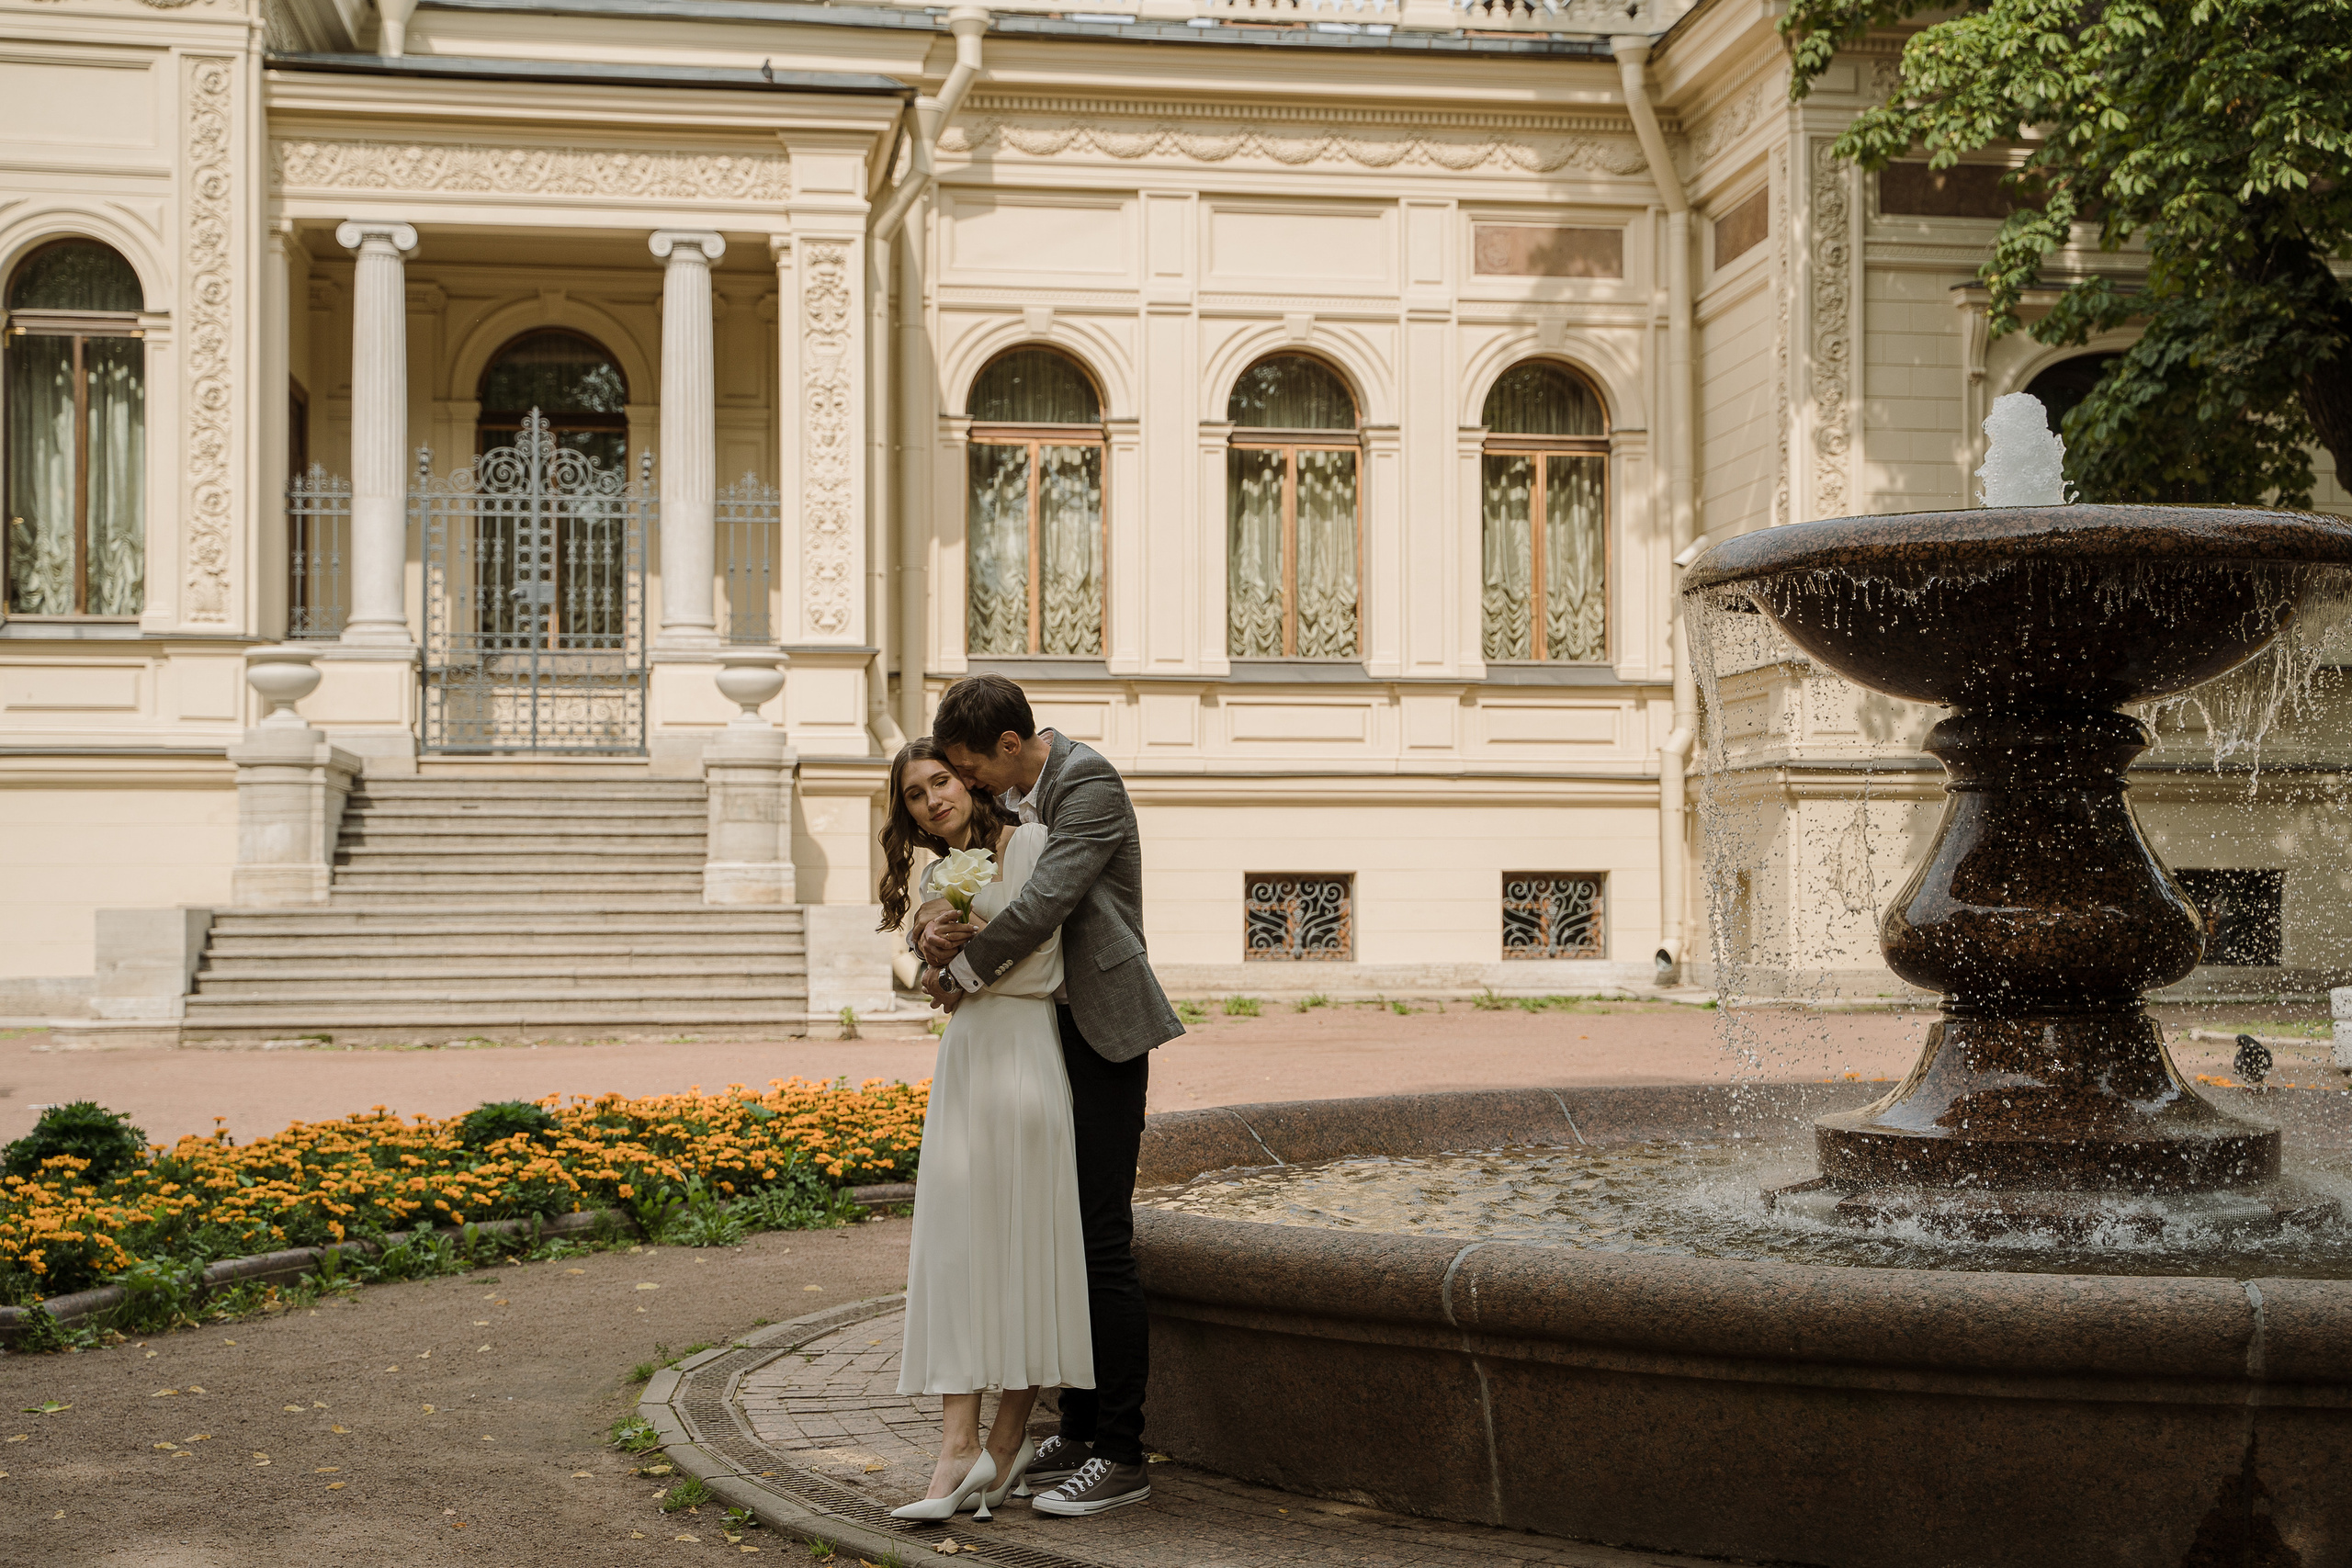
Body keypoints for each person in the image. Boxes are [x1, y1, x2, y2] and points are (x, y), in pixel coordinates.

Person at [912, 673, 1185, 1518]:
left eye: (968, 767)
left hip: (1102, 1032)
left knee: (1101, 1238)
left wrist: (954, 973)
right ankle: (1074, 1426)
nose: (968, 784)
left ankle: (1121, 1450)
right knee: (1056, 1231)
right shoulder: (1019, 796)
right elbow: (975, 878)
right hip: (1042, 1034)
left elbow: (1042, 903)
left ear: (1006, 746)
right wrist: (928, 922)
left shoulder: (1087, 782)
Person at [878, 738, 1091, 1521]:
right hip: (965, 1059)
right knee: (961, 1245)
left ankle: (1007, 1445)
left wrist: (954, 969)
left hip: (1027, 1050)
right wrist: (928, 951)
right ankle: (955, 1449)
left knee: (1026, 1242)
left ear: (970, 780)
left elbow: (1038, 965)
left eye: (942, 781)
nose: (934, 799)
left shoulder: (1033, 841)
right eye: (915, 794)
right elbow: (931, 974)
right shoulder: (934, 875)